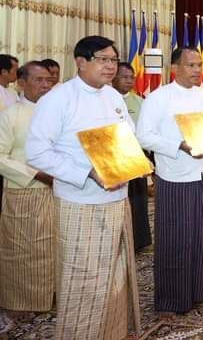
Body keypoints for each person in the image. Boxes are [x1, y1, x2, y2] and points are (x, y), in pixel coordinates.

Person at [25, 36, 140, 339]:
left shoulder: (114, 97)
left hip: (118, 198)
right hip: (80, 203)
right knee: (83, 279)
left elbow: (129, 137)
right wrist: (87, 172)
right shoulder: (58, 99)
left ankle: (111, 333)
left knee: (115, 275)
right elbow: (36, 153)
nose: (110, 66)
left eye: (113, 60)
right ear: (80, 62)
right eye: (102, 59)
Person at [136, 47, 203, 313]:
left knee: (199, 236)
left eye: (199, 65)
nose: (196, 70)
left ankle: (197, 290)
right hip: (174, 178)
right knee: (175, 238)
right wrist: (178, 146)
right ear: (174, 68)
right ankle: (173, 299)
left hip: (202, 175)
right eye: (190, 65)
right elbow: (143, 136)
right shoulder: (159, 98)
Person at [0, 61, 54, 313]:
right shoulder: (11, 114)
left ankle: (52, 295)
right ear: (21, 83)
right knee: (24, 250)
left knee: (53, 247)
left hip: (59, 191)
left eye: (48, 80)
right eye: (38, 80)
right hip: (24, 191)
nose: (45, 85)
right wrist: (36, 174)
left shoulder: (57, 112)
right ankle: (22, 303)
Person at [112, 62, 152, 252]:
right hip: (115, 158)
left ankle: (139, 241)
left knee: (138, 200)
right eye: (124, 77)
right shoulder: (109, 99)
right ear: (114, 78)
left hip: (136, 155)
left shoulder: (140, 101)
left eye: (131, 77)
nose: (129, 81)